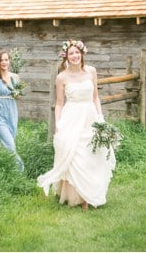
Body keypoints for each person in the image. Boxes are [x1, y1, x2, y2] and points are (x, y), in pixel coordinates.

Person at [37, 40, 113, 209]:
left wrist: (100, 117)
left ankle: (87, 195)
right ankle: (76, 196)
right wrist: (58, 124)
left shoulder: (91, 71)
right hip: (71, 117)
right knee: (74, 153)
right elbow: (59, 103)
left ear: (82, 53)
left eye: (77, 53)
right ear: (66, 56)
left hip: (90, 116)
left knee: (90, 154)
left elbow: (95, 97)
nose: (75, 56)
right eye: (71, 53)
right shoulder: (61, 77)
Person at [0, 48, 24, 170]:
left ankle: (5, 168)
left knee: (7, 143)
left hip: (11, 112)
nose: (4, 62)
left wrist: (11, 87)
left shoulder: (15, 77)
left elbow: (19, 97)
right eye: (1, 60)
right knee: (10, 144)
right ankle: (20, 169)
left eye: (6, 60)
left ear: (9, 61)